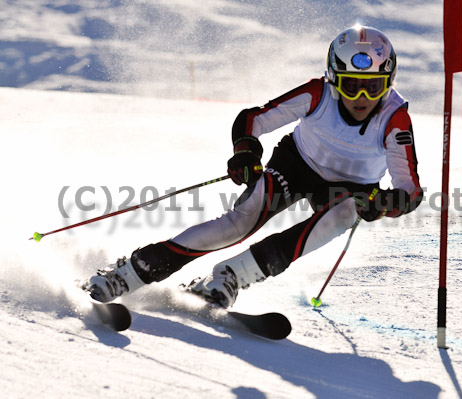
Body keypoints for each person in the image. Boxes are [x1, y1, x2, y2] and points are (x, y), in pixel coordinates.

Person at [81, 25, 423, 308]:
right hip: (297, 165)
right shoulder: (317, 94)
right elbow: (253, 119)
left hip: (350, 188)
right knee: (242, 220)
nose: (361, 99)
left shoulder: (395, 119)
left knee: (345, 212)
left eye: (373, 87)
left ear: (389, 82)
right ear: (334, 78)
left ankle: (231, 275)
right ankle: (131, 272)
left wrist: (385, 203)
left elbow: (410, 190)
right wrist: (245, 152)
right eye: (351, 85)